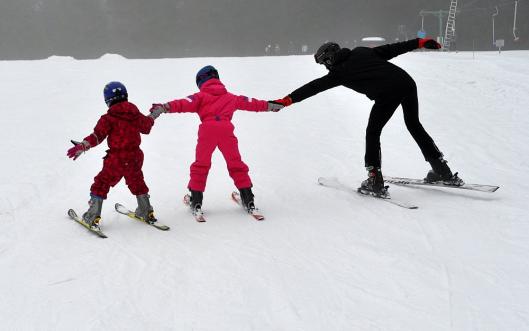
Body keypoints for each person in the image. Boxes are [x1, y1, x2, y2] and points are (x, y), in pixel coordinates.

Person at [271, 38, 464, 196]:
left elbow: (313, 87)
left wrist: (287, 100)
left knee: (373, 132)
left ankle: (374, 180)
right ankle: (441, 170)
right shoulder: (361, 51)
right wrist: (420, 42)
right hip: (406, 83)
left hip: (388, 94)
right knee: (414, 124)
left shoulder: (339, 73)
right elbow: (392, 49)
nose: (325, 67)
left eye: (324, 63)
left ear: (329, 59)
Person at [149, 65, 283, 213]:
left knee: (201, 164)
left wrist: (164, 107)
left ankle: (196, 200)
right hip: (226, 131)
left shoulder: (199, 97)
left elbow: (183, 103)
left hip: (207, 131)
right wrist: (270, 105)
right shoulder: (231, 97)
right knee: (235, 163)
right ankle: (248, 198)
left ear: (201, 81)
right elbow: (251, 102)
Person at [67, 81, 160, 230]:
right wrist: (155, 114)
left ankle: (93, 216)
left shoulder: (108, 118)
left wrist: (83, 145)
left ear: (107, 100)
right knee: (137, 181)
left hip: (117, 159)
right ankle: (146, 211)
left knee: (101, 183)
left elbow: (97, 136)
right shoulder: (134, 114)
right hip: (135, 156)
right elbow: (146, 127)